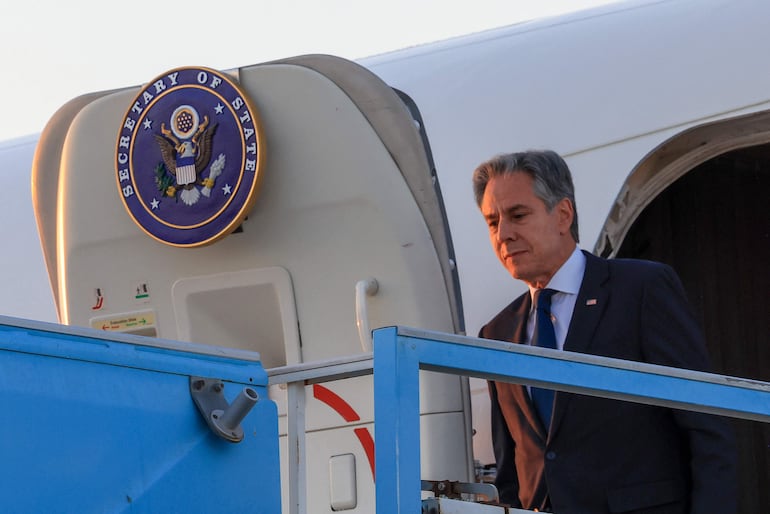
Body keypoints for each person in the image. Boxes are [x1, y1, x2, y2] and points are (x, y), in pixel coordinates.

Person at [472, 150, 737, 513]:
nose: (503, 234)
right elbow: (511, 474)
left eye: (518, 215)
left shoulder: (641, 289)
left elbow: (708, 429)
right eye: (492, 222)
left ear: (563, 214)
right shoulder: (496, 333)